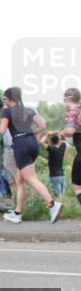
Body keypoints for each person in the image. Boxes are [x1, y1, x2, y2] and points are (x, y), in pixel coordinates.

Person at [0, 87, 62, 224]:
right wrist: (31, 133)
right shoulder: (28, 109)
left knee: (31, 179)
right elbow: (42, 125)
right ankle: (17, 213)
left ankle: (52, 204)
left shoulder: (7, 111)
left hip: (20, 145)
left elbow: (2, 130)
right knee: (20, 180)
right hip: (32, 143)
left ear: (8, 98)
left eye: (4, 98)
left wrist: (0, 121)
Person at [59, 87, 81, 228]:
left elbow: (70, 131)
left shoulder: (73, 112)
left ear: (68, 99)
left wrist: (62, 133)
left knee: (78, 187)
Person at [43, 133, 67, 198]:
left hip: (54, 176)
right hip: (62, 176)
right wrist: (59, 133)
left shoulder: (51, 149)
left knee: (58, 197)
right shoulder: (62, 148)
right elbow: (64, 139)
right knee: (63, 196)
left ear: (51, 142)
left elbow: (41, 142)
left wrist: (47, 134)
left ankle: (56, 204)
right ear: (58, 141)